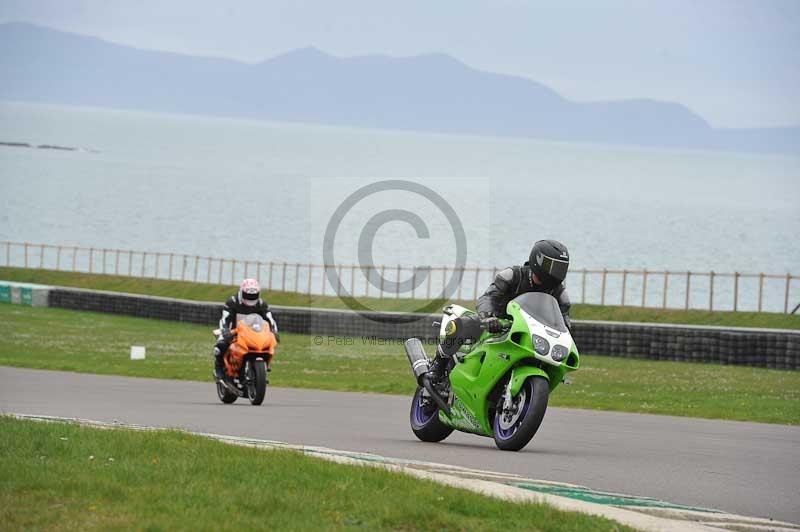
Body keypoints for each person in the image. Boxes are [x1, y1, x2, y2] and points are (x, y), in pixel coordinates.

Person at [428, 239, 572, 380]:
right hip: (497, 323)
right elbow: (488, 297)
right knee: (462, 325)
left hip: (529, 333)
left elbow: (564, 322)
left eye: (561, 267)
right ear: (538, 260)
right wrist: (488, 317)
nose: (557, 272)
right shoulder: (513, 275)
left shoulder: (559, 294)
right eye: (553, 266)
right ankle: (438, 365)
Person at [213, 278, 279, 379]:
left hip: (253, 332)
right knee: (221, 344)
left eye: (253, 295)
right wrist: (225, 330)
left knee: (267, 345)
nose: (251, 298)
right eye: (248, 295)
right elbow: (224, 319)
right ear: (242, 292)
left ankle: (261, 370)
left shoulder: (261, 304)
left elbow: (270, 319)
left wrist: (274, 331)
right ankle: (218, 369)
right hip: (234, 332)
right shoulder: (232, 302)